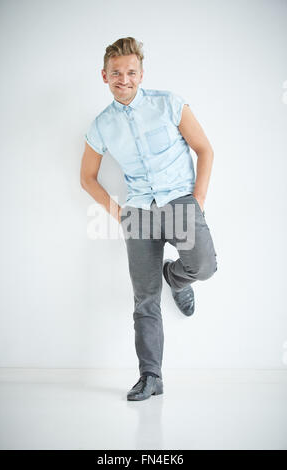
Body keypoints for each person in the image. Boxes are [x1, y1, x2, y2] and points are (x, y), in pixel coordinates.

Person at [80, 37, 218, 401]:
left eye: (130, 72)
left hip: (180, 202)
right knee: (144, 299)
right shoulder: (101, 125)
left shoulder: (169, 103)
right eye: (115, 73)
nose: (122, 79)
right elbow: (86, 177)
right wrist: (118, 212)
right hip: (138, 213)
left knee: (203, 266)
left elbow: (204, 149)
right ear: (104, 76)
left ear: (141, 74)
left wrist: (198, 199)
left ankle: (177, 277)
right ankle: (151, 376)